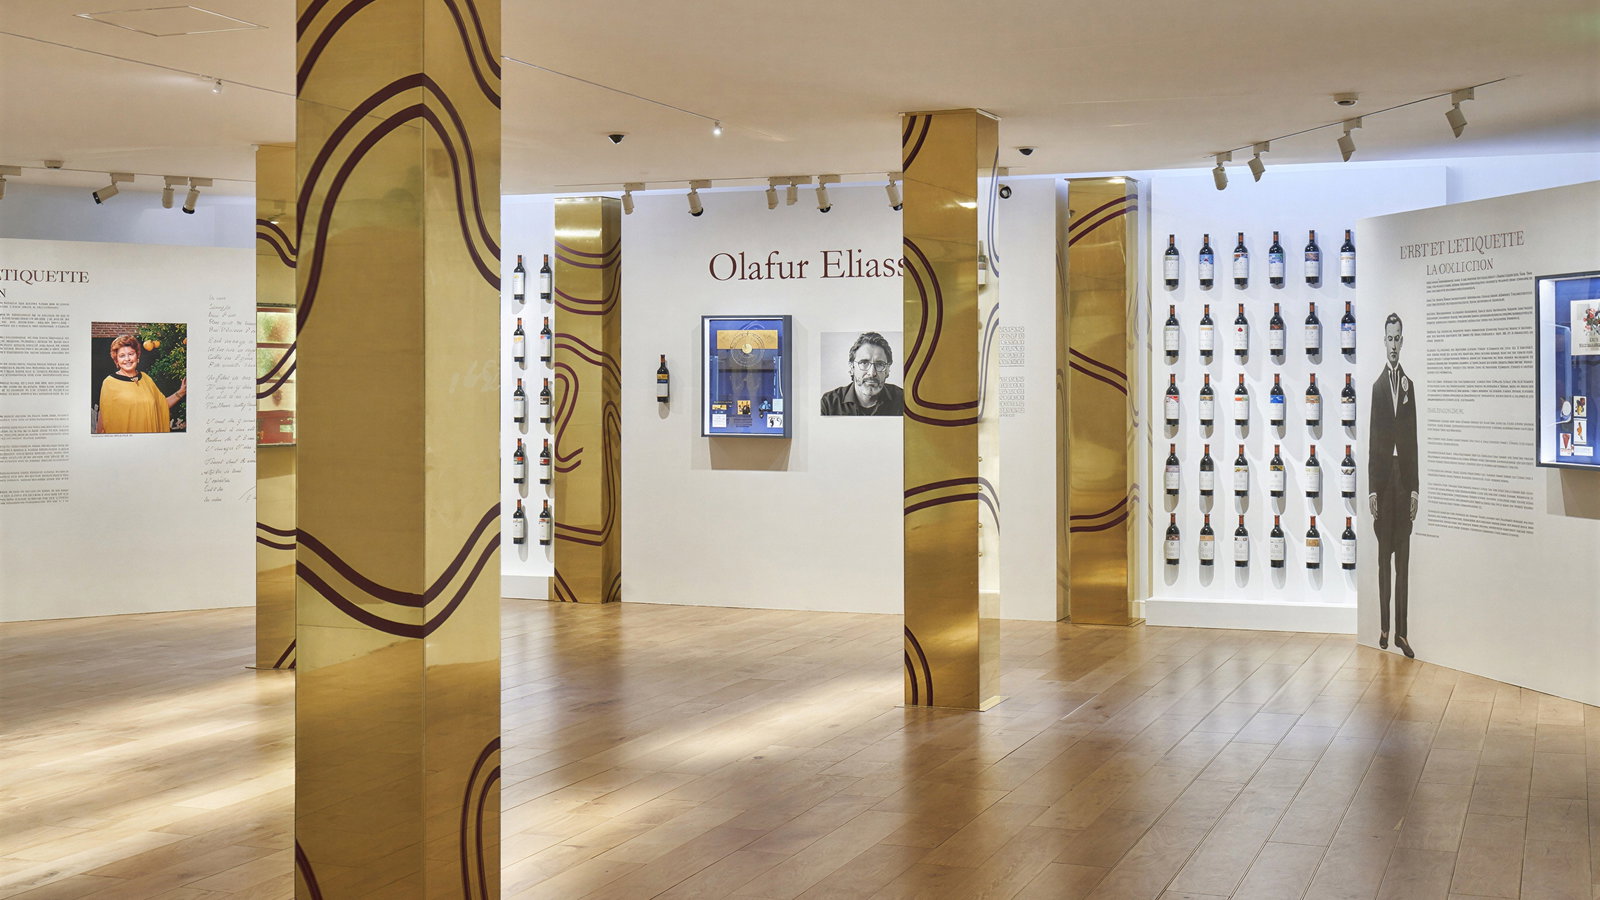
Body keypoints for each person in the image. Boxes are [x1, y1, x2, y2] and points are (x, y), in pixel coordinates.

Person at [1368, 313, 1418, 657]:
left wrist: (1415, 488)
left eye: (1398, 338)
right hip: (1384, 482)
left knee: (1404, 560)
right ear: (1383, 341)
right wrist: (1372, 487)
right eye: (1390, 339)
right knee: (1383, 558)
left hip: (1404, 481)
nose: (1394, 345)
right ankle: (1384, 628)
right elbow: (1373, 440)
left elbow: (1412, 439)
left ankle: (1402, 633)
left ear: (1403, 340)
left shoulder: (1408, 387)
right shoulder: (1376, 388)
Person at [97, 334, 186, 434]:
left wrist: (181, 392)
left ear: (137, 356)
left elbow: (161, 405)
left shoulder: (146, 378)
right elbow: (103, 418)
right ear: (116, 360)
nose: (127, 359)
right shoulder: (109, 383)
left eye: (131, 354)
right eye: (122, 356)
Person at [820, 332, 903, 416]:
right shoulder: (828, 404)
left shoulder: (903, 400)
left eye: (879, 364)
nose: (872, 373)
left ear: (887, 370)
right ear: (852, 368)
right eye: (864, 363)